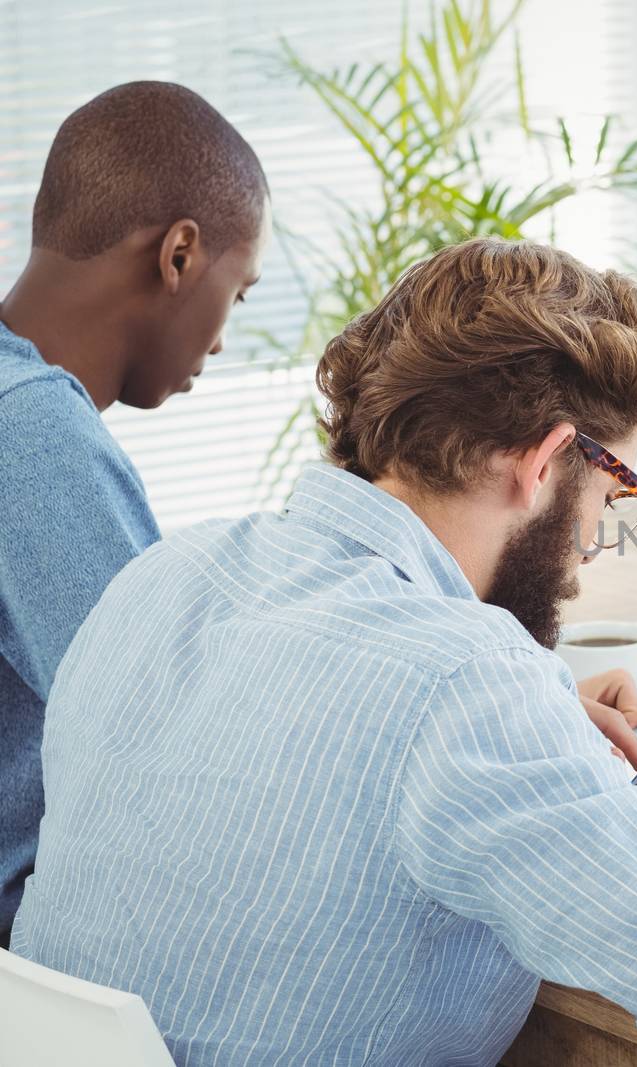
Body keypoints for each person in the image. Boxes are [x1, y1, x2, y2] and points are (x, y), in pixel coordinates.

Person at [12, 238, 637, 1062]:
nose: (594, 545)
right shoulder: (464, 684)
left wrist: (536, 724)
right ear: (547, 461)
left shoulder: (163, 576)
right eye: (616, 498)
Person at [0, 81, 268, 944]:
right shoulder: (31, 431)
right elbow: (173, 734)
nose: (223, 337)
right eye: (242, 289)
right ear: (180, 255)